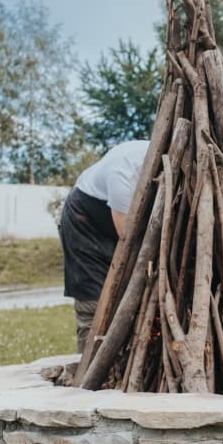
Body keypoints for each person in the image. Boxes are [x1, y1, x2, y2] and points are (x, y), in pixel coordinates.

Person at [58, 140, 149, 353]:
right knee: (95, 301)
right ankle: (90, 361)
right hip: (84, 221)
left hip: (117, 215)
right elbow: (128, 238)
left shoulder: (158, 154)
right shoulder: (123, 175)